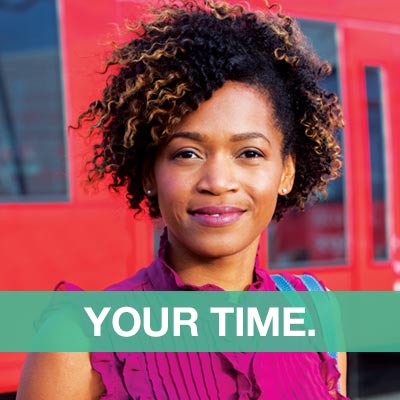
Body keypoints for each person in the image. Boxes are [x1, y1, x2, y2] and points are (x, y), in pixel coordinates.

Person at [17, 0, 348, 398]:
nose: (218, 181)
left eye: (250, 153)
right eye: (186, 154)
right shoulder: (77, 341)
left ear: (287, 172)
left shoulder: (315, 311)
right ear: (148, 174)